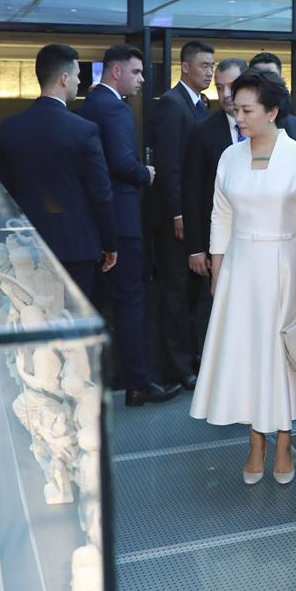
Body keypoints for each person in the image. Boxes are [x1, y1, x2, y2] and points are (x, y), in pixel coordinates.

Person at [189, 69, 296, 485]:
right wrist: (217, 267)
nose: (239, 118)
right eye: (235, 109)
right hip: (240, 267)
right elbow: (220, 214)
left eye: (247, 110)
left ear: (272, 112)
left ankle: (283, 440)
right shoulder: (230, 156)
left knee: (280, 356)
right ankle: (255, 442)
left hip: (287, 263)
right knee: (247, 355)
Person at [79, 44, 181, 408]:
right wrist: (147, 174)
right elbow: (121, 162)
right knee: (130, 303)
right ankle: (137, 383)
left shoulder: (88, 105)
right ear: (116, 71)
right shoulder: (116, 109)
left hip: (94, 222)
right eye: (137, 72)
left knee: (95, 304)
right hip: (121, 220)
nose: (142, 79)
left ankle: (92, 382)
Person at [0, 44, 117, 298]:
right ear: (63, 78)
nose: (78, 82)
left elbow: (4, 191)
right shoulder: (84, 130)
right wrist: (109, 243)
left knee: (32, 315)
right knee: (73, 320)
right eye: (77, 76)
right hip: (76, 245)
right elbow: (101, 194)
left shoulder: (10, 128)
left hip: (26, 247)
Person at [148, 40, 215, 391]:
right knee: (175, 291)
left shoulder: (199, 105)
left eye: (211, 66)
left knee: (192, 293)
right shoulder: (172, 106)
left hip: (195, 214)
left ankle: (192, 358)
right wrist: (177, 213)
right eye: (203, 65)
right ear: (185, 67)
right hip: (176, 217)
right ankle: (177, 366)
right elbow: (169, 166)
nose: (208, 72)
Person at [185, 58, 248, 277]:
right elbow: (192, 193)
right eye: (220, 88)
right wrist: (196, 249)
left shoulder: (272, 128)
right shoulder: (202, 132)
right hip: (218, 243)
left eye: (233, 85)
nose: (226, 94)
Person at [249, 51, 296, 143]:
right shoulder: (240, 121)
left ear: (279, 78)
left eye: (271, 76)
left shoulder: (294, 125)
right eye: (260, 76)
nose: (265, 81)